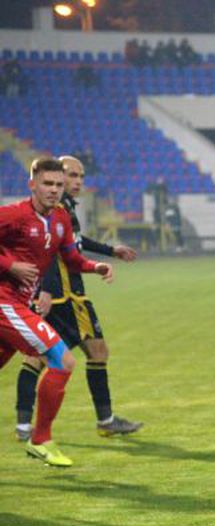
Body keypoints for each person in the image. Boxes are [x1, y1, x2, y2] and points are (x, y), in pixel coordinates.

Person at [14, 155, 140, 443]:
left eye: (81, 176)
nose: (77, 182)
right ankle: (104, 421)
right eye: (72, 176)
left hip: (64, 294)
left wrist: (110, 251)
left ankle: (25, 425)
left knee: (41, 357)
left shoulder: (64, 209)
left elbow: (76, 245)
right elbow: (44, 252)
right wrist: (45, 289)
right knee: (88, 353)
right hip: (65, 297)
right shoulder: (53, 209)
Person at [0, 158, 113, 467]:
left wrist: (96, 266)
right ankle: (41, 440)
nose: (53, 190)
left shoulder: (61, 218)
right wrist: (10, 265)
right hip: (4, 302)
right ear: (32, 184)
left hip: (19, 304)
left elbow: (71, 257)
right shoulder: (14, 215)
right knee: (62, 360)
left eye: (58, 185)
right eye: (47, 184)